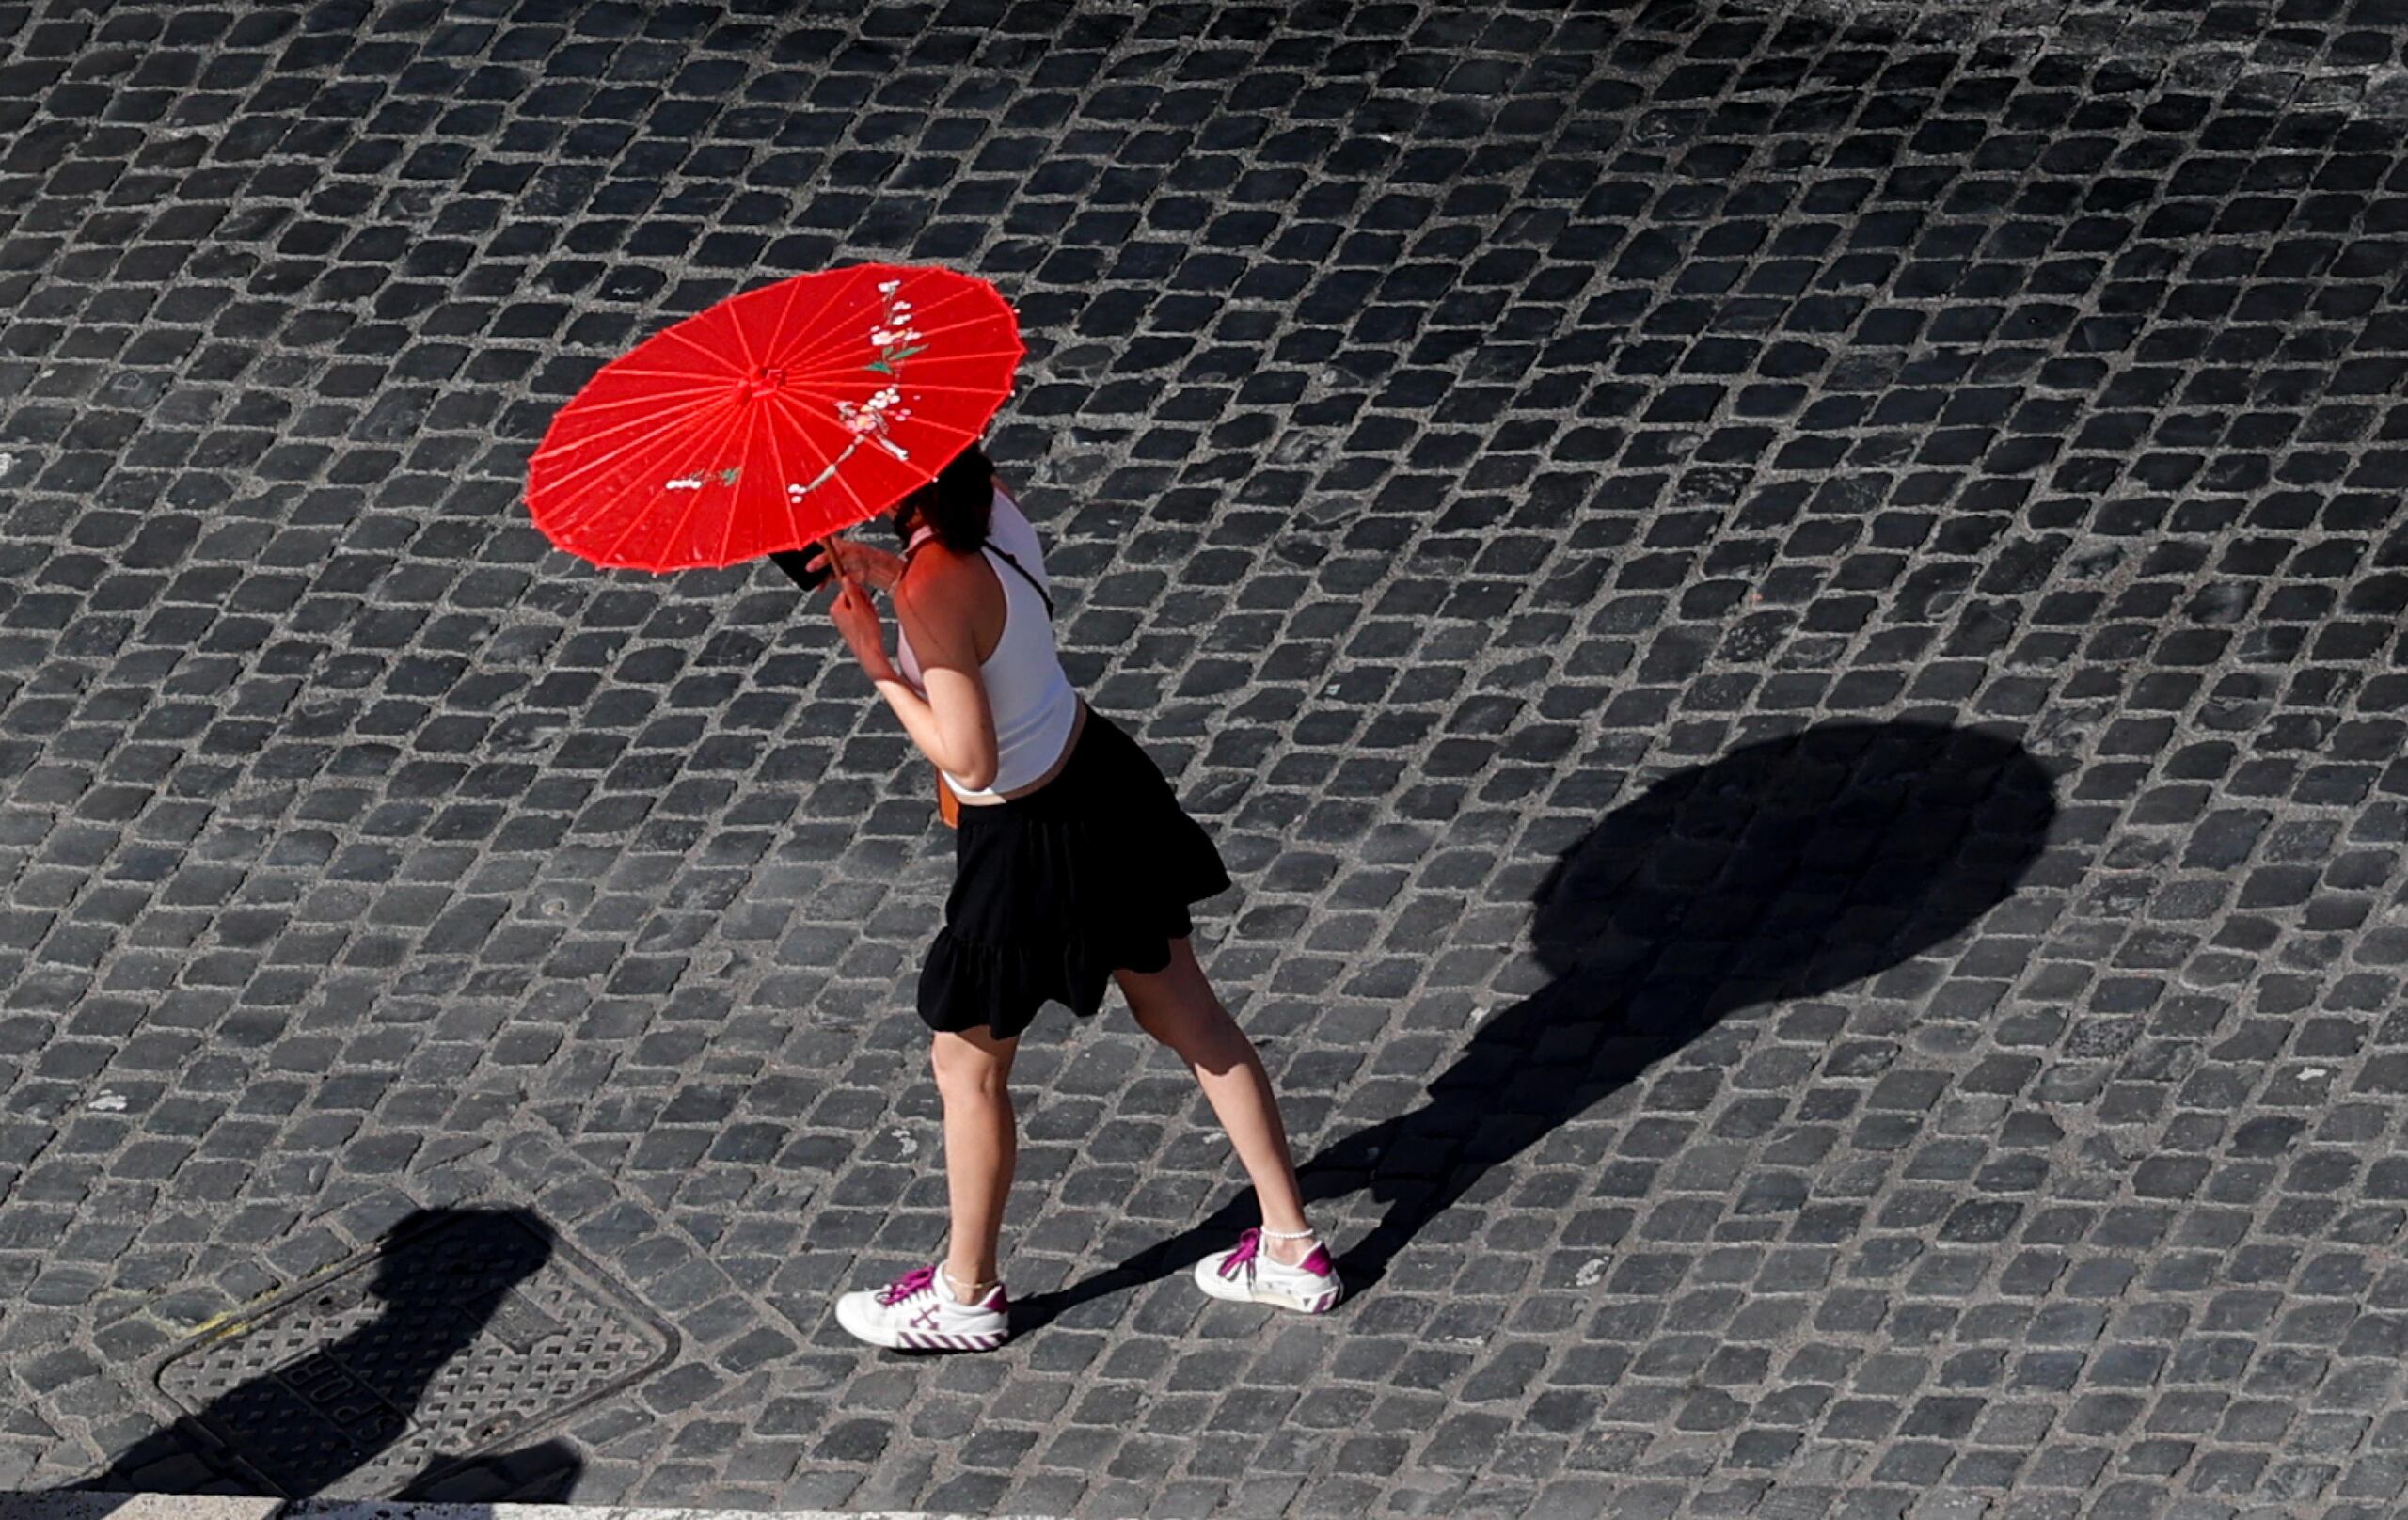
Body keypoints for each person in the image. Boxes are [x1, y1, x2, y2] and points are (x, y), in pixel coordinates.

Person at [806, 442, 1339, 1352]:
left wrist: (879, 662)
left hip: (1021, 842)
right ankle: (1292, 1246)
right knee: (1190, 1013)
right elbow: (987, 616)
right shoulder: (995, 507)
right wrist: (892, 575)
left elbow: (970, 757)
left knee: (966, 1068)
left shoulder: (931, 589)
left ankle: (966, 1294)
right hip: (1098, 779)